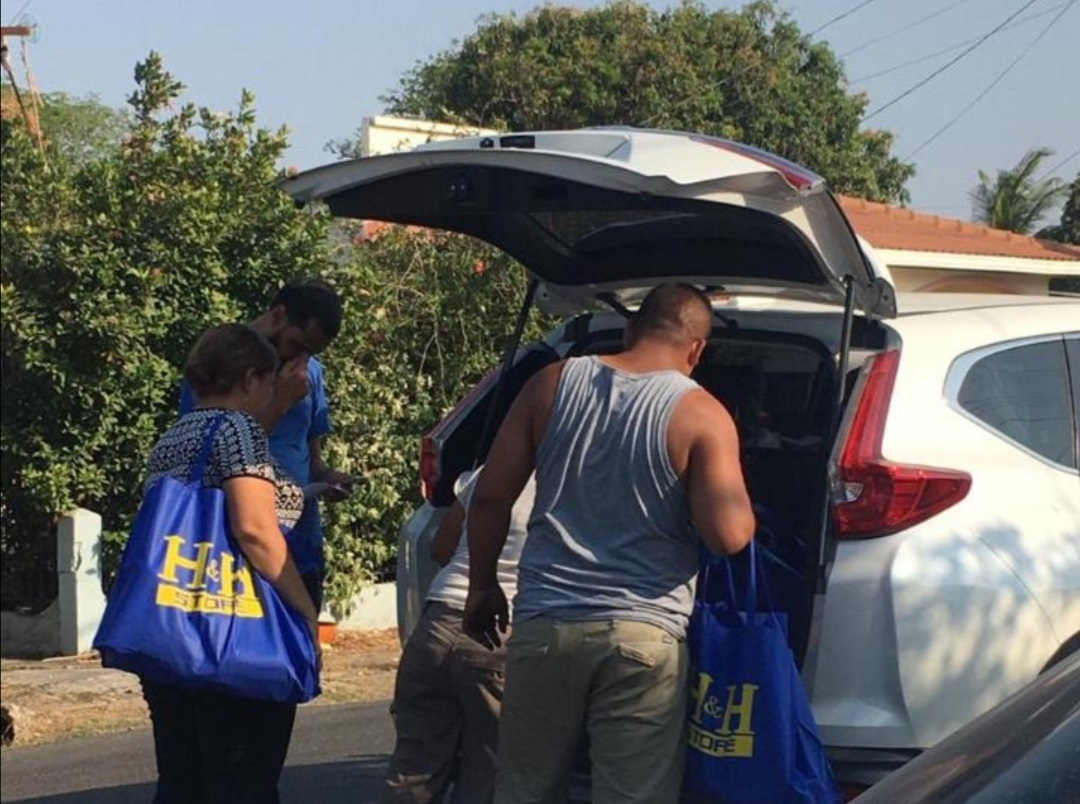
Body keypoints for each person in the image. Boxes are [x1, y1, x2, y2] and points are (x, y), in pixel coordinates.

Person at [463, 283, 757, 804]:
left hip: (546, 627)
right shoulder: (701, 414)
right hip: (642, 636)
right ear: (696, 350)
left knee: (524, 790)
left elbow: (488, 498)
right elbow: (729, 536)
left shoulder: (550, 384)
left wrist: (482, 586)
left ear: (630, 330)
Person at [142, 323, 321, 803]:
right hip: (229, 636)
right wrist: (305, 612)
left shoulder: (173, 437)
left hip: (173, 631)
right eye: (268, 382)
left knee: (182, 781)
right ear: (249, 379)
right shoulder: (237, 429)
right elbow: (254, 530)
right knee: (243, 779)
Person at [180, 278, 353, 611]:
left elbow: (311, 456)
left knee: (301, 650)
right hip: (236, 546)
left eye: (311, 353)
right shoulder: (217, 363)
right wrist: (281, 402)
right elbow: (209, 447)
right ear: (277, 316)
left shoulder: (309, 372)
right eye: (297, 344)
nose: (301, 359)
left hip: (300, 540)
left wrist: (327, 478)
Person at [382, 467, 536, 804]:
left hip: (436, 624)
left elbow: (441, 547)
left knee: (414, 771)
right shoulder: (573, 477)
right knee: (490, 772)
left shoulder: (489, 471)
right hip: (500, 629)